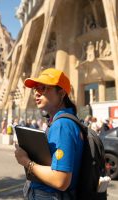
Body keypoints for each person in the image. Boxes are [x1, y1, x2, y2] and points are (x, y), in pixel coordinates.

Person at [15, 68, 84, 200]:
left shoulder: (62, 125)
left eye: (43, 88)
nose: (36, 93)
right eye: (35, 89)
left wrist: (26, 162)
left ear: (62, 92)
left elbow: (61, 180)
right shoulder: (60, 122)